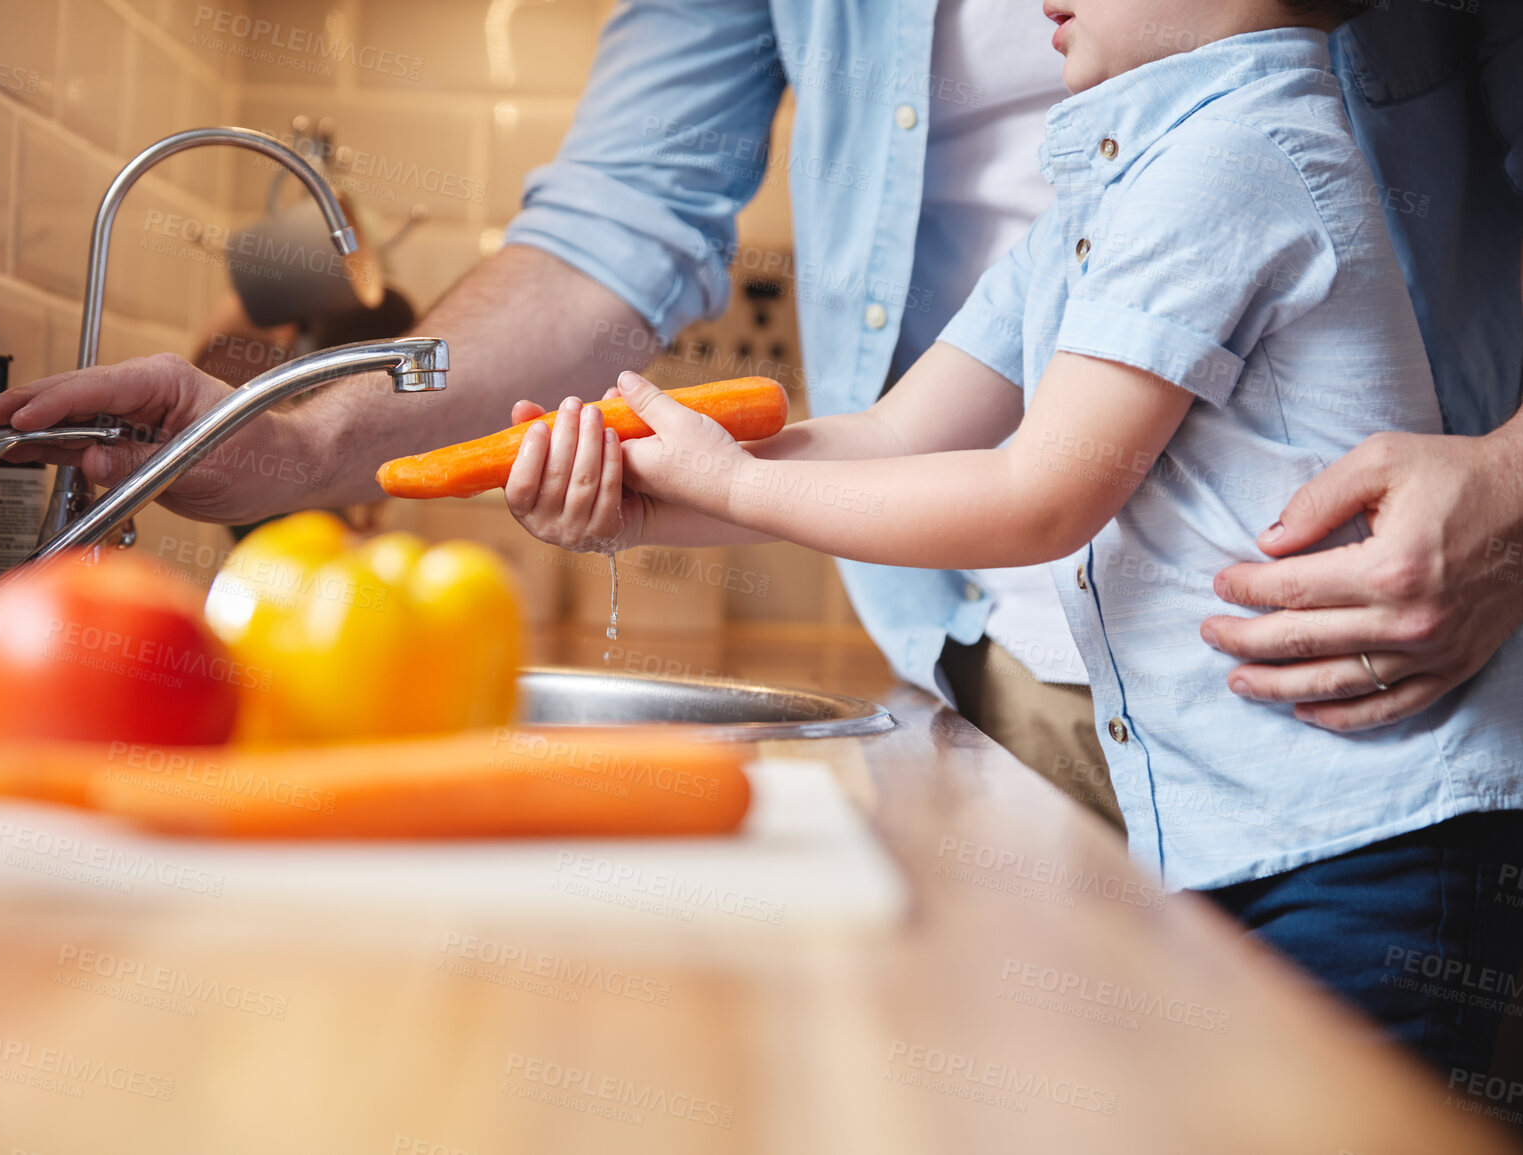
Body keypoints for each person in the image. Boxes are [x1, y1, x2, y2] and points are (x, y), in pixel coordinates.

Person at [500, 0, 1523, 1097]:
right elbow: (894, 436)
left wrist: (739, 484)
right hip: (1239, 827)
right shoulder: (1110, 185)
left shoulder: (1234, 158)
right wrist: (659, 490)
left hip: (1367, 846)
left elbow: (1043, 495)